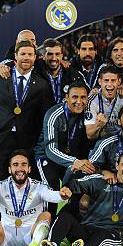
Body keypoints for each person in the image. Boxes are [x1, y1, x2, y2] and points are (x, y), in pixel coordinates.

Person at [0, 40, 54, 179]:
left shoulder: (41, 84)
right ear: (15, 56)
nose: (26, 57)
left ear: (35, 58)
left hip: (27, 141)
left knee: (23, 184)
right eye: (23, 54)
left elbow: (46, 115)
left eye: (30, 54)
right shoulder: (0, 77)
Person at [36, 82, 93, 217]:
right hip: (47, 157)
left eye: (83, 97)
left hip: (70, 159)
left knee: (77, 189)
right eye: (75, 97)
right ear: (66, 97)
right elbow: (50, 149)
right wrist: (74, 161)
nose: (79, 101)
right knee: (52, 191)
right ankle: (45, 226)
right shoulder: (53, 114)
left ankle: (65, 223)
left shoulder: (88, 113)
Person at [88, 105, 123, 181]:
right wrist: (104, 172)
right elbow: (90, 167)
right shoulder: (107, 142)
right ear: (119, 121)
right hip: (110, 185)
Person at [84, 66, 123, 140]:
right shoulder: (92, 100)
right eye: (106, 80)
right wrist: (98, 125)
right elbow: (90, 135)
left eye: (113, 80)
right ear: (100, 81)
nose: (109, 84)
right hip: (102, 141)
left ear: (119, 81)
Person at [39, 38, 84, 104]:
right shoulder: (36, 74)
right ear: (43, 56)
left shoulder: (73, 74)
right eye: (50, 54)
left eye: (57, 54)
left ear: (61, 56)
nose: (54, 58)